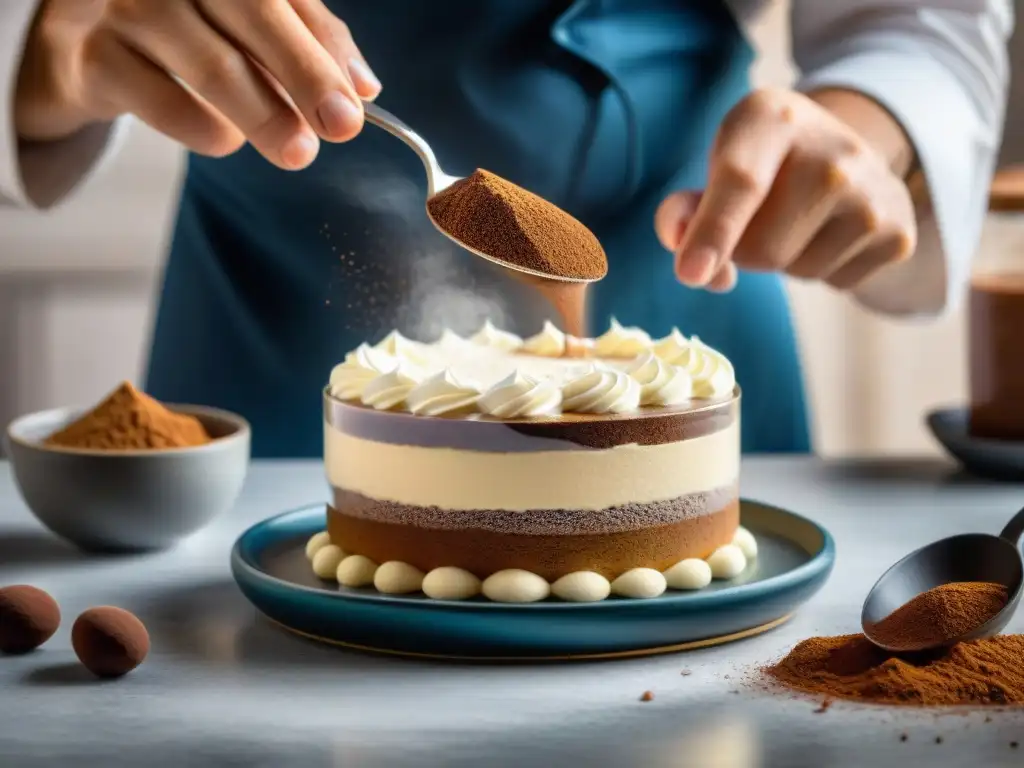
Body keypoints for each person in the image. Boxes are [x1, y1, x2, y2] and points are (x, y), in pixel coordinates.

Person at [1, 0, 1012, 458]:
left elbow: (918, 21)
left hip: (696, 300)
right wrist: (49, 41)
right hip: (267, 342)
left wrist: (874, 127)